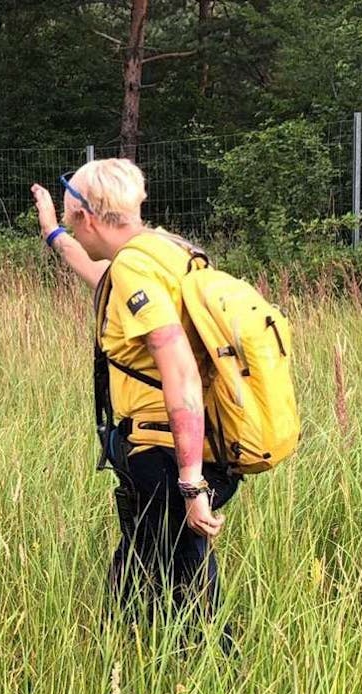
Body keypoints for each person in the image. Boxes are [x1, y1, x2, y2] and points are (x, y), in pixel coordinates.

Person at [30, 159, 239, 626]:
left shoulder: (133, 272)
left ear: (87, 218)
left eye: (66, 216)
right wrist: (51, 233)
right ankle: (152, 664)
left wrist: (190, 484)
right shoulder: (163, 249)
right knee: (153, 568)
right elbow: (98, 277)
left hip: (166, 454)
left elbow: (181, 373)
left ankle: (194, 672)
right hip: (202, 444)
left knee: (175, 583)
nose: (66, 222)